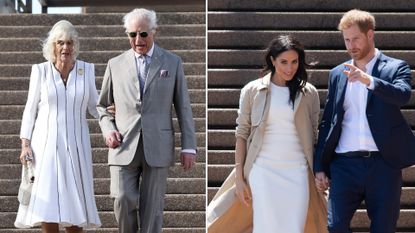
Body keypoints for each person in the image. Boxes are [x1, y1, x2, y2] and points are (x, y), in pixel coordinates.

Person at [207, 35, 327, 233]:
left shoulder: (309, 93)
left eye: (294, 62)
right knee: (265, 227)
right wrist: (239, 177)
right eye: (284, 62)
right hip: (262, 170)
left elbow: (314, 135)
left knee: (294, 227)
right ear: (272, 60)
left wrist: (320, 170)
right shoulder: (252, 90)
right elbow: (242, 134)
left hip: (297, 171)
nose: (290, 68)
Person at [314, 9, 415, 233]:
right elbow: (328, 120)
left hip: (383, 164)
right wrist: (320, 164)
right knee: (335, 226)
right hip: (344, 164)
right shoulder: (338, 73)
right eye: (347, 40)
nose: (351, 46)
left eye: (356, 39)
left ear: (370, 34)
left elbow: (402, 95)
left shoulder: (396, 67)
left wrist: (368, 80)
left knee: (384, 228)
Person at [97, 8, 197, 233]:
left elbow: (183, 107)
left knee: (152, 210)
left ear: (155, 31)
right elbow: (102, 105)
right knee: (122, 199)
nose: (138, 40)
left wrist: (189, 146)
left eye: (143, 34)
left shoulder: (172, 62)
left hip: (158, 145)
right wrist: (107, 128)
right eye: (132, 35)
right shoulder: (115, 64)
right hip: (123, 145)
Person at [14, 20, 101, 232]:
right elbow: (30, 109)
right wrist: (25, 144)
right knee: (49, 204)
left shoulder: (86, 70)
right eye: (60, 42)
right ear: (52, 45)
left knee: (76, 202)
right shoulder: (40, 71)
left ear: (75, 46)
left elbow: (95, 106)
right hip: (45, 147)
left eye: (70, 42)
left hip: (77, 145)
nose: (65, 47)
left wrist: (111, 114)